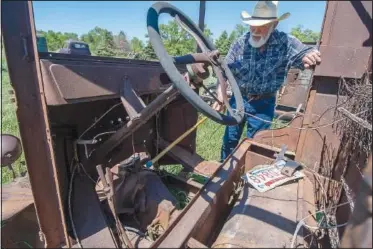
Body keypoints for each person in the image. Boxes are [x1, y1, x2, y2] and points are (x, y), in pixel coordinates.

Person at [213, 1, 322, 161]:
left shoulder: (285, 42)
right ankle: (223, 168)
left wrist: (310, 54)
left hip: (264, 103)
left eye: (262, 26)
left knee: (258, 143)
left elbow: (305, 52)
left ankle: (247, 177)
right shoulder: (239, 43)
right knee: (230, 139)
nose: (256, 31)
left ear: (274, 24)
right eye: (253, 26)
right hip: (239, 98)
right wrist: (220, 92)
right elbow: (224, 70)